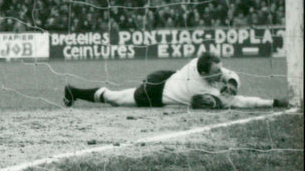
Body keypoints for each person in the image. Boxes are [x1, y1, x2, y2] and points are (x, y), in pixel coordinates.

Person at [63, 51, 290, 110]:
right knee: (117, 99)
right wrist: (271, 102)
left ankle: (73, 92)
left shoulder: (199, 64)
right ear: (205, 74)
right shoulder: (198, 88)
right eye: (217, 72)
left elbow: (231, 75)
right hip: (154, 92)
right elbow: (239, 102)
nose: (221, 74)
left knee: (117, 97)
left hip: (165, 77)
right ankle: (75, 92)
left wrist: (230, 82)